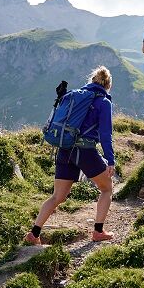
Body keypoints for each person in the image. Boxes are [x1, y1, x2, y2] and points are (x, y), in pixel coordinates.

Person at [25, 66, 116, 244]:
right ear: (107, 85)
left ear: (92, 81)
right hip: (85, 151)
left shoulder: (75, 95)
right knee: (106, 188)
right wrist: (110, 159)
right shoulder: (104, 102)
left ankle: (34, 234)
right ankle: (98, 231)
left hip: (65, 149)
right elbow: (106, 134)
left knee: (57, 197)